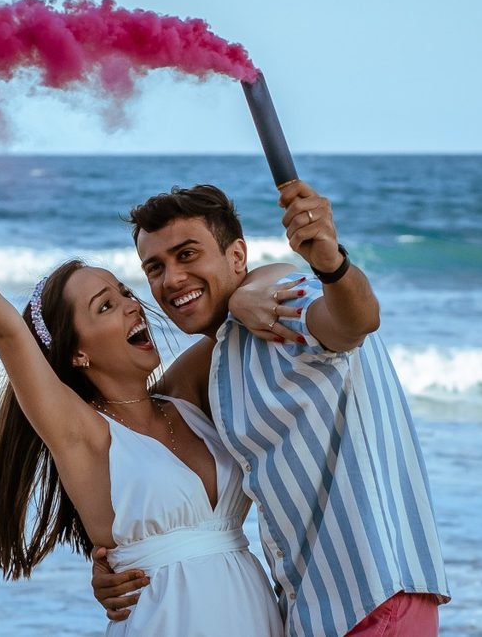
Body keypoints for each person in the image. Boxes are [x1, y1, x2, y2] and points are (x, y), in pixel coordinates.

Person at [0, 169, 285, 636]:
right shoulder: (82, 433)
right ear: (77, 353)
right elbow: (6, 327)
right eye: (106, 306)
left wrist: (251, 290)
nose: (133, 305)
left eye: (126, 292)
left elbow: (240, 300)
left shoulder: (184, 397)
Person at [92, 181, 450, 636]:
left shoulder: (282, 299)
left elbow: (355, 321)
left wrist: (331, 264)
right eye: (155, 267)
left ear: (237, 256)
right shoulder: (217, 360)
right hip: (313, 610)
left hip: (372, 596)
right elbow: (132, 441)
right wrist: (116, 559)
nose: (172, 279)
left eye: (187, 254)